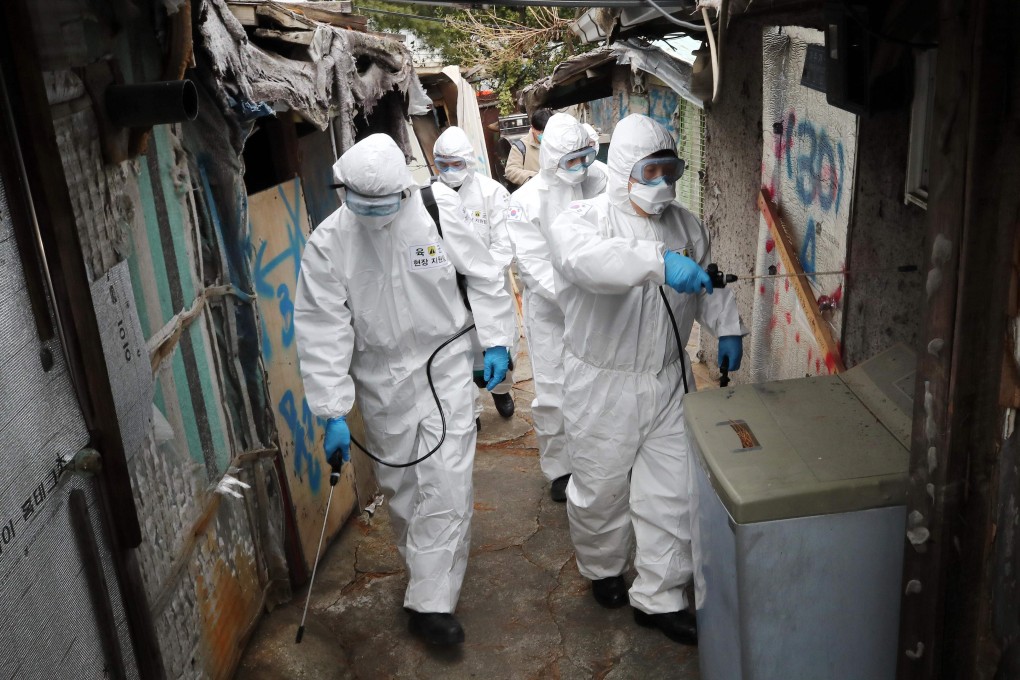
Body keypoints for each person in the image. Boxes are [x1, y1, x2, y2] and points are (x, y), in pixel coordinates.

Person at [293, 134, 515, 646]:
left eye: (384, 205)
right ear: (342, 191)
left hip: (446, 370)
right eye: (360, 204)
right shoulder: (329, 243)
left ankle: (432, 604)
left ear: (405, 190)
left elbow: (483, 276)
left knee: (448, 481)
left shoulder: (438, 213)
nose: (373, 215)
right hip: (380, 380)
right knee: (403, 490)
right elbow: (322, 327)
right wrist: (330, 411)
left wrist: (496, 343)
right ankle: (425, 579)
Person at [547, 114, 747, 645]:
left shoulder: (685, 224)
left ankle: (659, 597)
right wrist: (657, 261)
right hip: (602, 383)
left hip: (666, 377)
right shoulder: (582, 220)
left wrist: (728, 327)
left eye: (670, 169)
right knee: (600, 489)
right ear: (622, 172)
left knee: (672, 494)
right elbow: (587, 262)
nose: (663, 182)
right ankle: (603, 567)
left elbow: (707, 280)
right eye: (650, 171)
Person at [505, 112, 606, 502]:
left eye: (585, 157)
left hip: (602, 304)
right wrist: (581, 294)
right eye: (570, 161)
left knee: (600, 383)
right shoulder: (526, 202)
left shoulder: (603, 179)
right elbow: (532, 266)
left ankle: (601, 458)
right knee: (554, 392)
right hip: (552, 311)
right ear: (549, 160)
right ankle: (561, 467)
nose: (580, 168)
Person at [433, 126, 517, 420]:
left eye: (457, 164)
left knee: (496, 344)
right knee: (459, 351)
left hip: (488, 281)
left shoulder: (492, 192)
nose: (451, 170)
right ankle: (472, 410)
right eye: (443, 164)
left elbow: (505, 241)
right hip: (450, 289)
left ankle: (501, 391)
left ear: (469, 162)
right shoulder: (431, 198)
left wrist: (482, 272)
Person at [504, 107, 552, 188]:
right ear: (532, 128)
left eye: (545, 131)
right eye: (540, 132)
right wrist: (535, 177)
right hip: (532, 193)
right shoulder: (520, 147)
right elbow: (510, 171)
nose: (543, 135)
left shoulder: (554, 143)